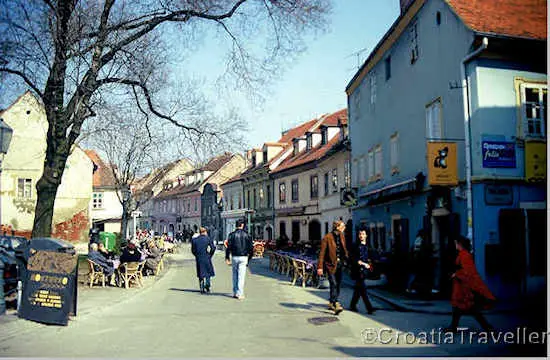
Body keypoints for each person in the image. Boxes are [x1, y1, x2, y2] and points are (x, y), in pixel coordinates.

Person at [445, 235, 496, 333]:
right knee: (459, 307)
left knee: (468, 307)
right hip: (460, 286)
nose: (455, 245)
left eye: (456, 243)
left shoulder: (465, 255)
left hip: (464, 287)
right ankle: (453, 326)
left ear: (460, 244)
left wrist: (456, 274)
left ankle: (487, 327)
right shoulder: (463, 254)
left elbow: (467, 272)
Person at [317, 220, 349, 315]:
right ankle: (335, 304)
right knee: (333, 283)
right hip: (329, 265)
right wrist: (320, 267)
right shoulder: (327, 238)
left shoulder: (342, 236)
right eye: (343, 226)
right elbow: (322, 253)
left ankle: (332, 302)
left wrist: (347, 260)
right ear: (337, 227)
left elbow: (344, 250)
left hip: (339, 264)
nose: (344, 228)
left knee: (338, 284)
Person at [225, 219, 253, 300]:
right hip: (243, 257)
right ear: (242, 225)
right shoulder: (247, 235)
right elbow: (251, 248)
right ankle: (240, 294)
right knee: (241, 276)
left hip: (234, 256)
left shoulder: (231, 235)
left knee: (235, 275)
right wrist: (249, 258)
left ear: (236, 225)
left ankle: (235, 292)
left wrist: (227, 257)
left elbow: (228, 247)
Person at [349, 229, 375, 315]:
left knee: (358, 289)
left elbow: (370, 258)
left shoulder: (368, 246)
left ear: (366, 235)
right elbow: (353, 258)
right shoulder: (355, 246)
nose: (361, 236)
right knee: (363, 289)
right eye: (360, 234)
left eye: (363, 234)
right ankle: (369, 308)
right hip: (358, 270)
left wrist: (370, 265)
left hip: (364, 271)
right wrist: (363, 264)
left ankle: (352, 305)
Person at [406, 229, 432, 294]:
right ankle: (410, 288)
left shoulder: (417, 240)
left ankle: (410, 288)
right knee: (414, 276)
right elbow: (417, 251)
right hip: (416, 262)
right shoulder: (419, 240)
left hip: (414, 262)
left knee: (413, 276)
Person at [191, 227, 216, 294]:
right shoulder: (208, 239)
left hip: (199, 257)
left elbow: (193, 250)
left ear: (199, 232)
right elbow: (213, 248)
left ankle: (202, 287)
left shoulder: (194, 240)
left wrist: (196, 255)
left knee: (200, 272)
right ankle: (207, 285)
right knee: (208, 272)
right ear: (205, 232)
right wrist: (210, 255)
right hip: (206, 256)